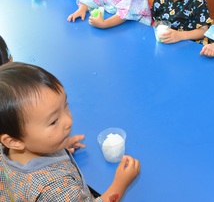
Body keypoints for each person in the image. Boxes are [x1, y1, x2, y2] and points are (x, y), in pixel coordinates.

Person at [0, 62, 140, 201]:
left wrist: (58, 146)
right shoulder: (56, 189)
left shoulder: (8, 145)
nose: (68, 121)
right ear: (14, 141)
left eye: (65, 106)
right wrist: (120, 183)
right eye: (54, 121)